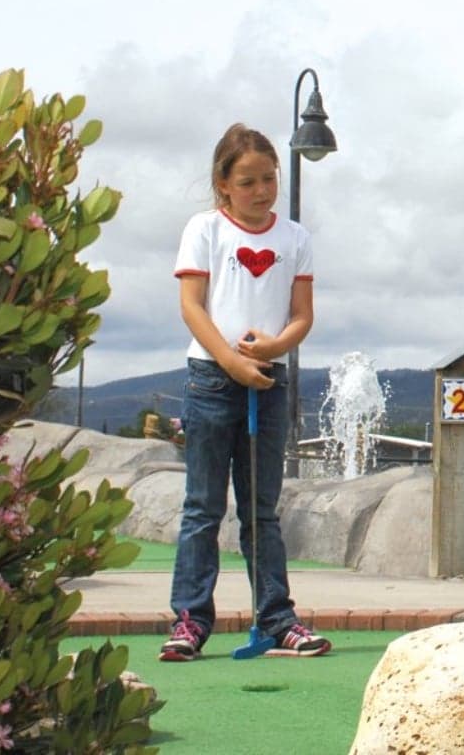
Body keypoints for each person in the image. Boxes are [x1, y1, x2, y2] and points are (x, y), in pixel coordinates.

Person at [160, 124, 331, 662]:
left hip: (268, 381)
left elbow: (302, 316)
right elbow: (193, 306)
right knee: (203, 507)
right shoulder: (205, 230)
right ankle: (190, 620)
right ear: (224, 182)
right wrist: (231, 361)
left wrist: (274, 344)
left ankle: (278, 620)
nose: (261, 190)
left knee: (262, 511)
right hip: (212, 379)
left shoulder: (294, 239)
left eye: (269, 179)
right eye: (248, 181)